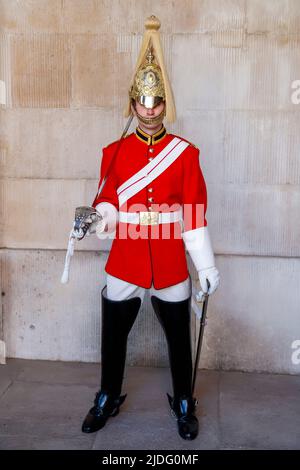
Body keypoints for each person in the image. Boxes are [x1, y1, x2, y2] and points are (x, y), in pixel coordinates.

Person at [80, 16, 220, 441]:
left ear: (165, 103)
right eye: (142, 101)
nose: (149, 109)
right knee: (113, 331)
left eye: (156, 101)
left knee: (179, 335)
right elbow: (107, 201)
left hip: (169, 257)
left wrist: (207, 266)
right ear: (132, 103)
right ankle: (107, 394)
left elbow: (193, 214)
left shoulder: (185, 153)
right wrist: (96, 217)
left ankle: (183, 400)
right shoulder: (114, 151)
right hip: (126, 256)